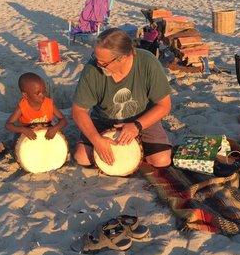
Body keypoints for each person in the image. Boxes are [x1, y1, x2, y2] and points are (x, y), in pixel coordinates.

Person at [72, 28, 173, 169]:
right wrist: (97, 140)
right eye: (96, 58)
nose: (98, 65)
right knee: (82, 157)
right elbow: (79, 110)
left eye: (104, 63)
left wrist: (137, 126)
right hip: (104, 120)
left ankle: (136, 151)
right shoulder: (92, 69)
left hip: (142, 119)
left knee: (161, 160)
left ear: (123, 57)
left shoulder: (147, 62)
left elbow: (164, 105)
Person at [4, 73, 68, 145]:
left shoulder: (49, 103)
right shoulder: (22, 107)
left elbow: (64, 120)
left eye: (44, 91)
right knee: (15, 143)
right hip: (28, 135)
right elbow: (8, 125)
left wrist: (55, 128)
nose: (42, 95)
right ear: (25, 95)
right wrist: (23, 129)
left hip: (46, 132)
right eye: (38, 93)